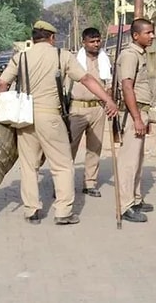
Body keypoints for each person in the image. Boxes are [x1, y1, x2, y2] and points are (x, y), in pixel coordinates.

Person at [0, 21, 118, 225]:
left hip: (25, 117)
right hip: (51, 116)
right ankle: (63, 211)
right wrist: (107, 100)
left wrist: (10, 103)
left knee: (29, 165)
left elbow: (2, 83)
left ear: (33, 38)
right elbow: (86, 79)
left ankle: (31, 210)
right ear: (52, 38)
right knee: (62, 165)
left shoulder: (21, 57)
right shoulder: (61, 55)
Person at [116, 18, 156, 223]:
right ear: (135, 35)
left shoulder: (141, 54)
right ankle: (125, 206)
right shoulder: (131, 55)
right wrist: (137, 118)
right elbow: (127, 87)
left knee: (138, 160)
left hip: (141, 111)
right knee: (128, 162)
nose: (152, 36)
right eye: (148, 33)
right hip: (134, 113)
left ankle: (136, 198)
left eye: (152, 32)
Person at [69, 27, 112, 198]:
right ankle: (63, 184)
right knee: (69, 148)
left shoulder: (105, 59)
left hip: (98, 109)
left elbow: (109, 82)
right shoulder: (73, 61)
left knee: (95, 147)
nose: (96, 44)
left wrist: (109, 97)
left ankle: (90, 183)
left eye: (98, 41)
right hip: (77, 109)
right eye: (92, 42)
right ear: (84, 42)